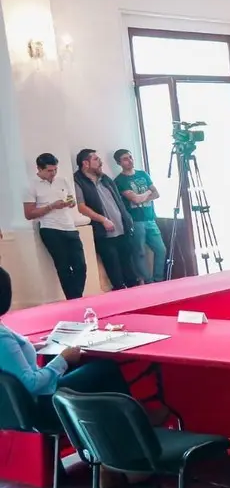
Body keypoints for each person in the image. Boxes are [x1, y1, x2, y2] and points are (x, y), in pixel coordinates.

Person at [0, 266, 131, 427]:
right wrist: (63, 359)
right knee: (104, 368)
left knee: (84, 365)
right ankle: (133, 423)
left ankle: (114, 426)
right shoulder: (2, 337)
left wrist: (35, 347)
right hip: (42, 405)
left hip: (22, 405)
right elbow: (31, 384)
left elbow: (10, 360)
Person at [73, 148, 138, 291]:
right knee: (114, 269)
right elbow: (81, 206)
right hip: (103, 233)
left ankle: (136, 295)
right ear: (85, 163)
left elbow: (118, 202)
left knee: (129, 268)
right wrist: (103, 219)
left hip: (122, 229)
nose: (100, 162)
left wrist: (127, 219)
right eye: (96, 159)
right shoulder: (78, 181)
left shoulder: (105, 179)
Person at [25, 153, 87, 300]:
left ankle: (76, 297)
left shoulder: (62, 181)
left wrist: (70, 202)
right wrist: (51, 206)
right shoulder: (30, 185)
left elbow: (71, 199)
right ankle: (74, 299)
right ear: (39, 169)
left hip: (69, 227)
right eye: (49, 171)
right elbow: (29, 214)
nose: (53, 173)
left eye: (55, 170)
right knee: (64, 267)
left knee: (80, 266)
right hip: (50, 229)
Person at [113, 149, 167, 285]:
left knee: (161, 249)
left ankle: (158, 279)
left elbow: (157, 194)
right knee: (139, 252)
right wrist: (148, 192)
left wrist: (143, 195)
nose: (130, 160)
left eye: (131, 157)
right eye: (125, 158)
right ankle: (148, 282)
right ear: (119, 162)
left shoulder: (143, 174)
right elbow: (135, 200)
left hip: (150, 218)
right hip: (135, 221)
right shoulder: (120, 180)